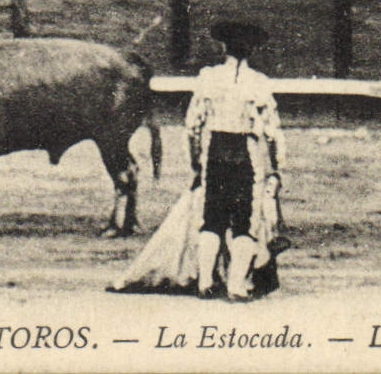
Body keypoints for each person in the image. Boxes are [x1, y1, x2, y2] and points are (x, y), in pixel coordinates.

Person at [111, 21, 285, 300]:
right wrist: (275, 169)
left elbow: (193, 126)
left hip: (215, 151)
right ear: (251, 50)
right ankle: (237, 285)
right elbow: (271, 131)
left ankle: (206, 282)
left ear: (223, 47)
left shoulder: (208, 78)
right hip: (245, 154)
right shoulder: (259, 83)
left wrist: (196, 163)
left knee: (212, 219)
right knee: (245, 222)